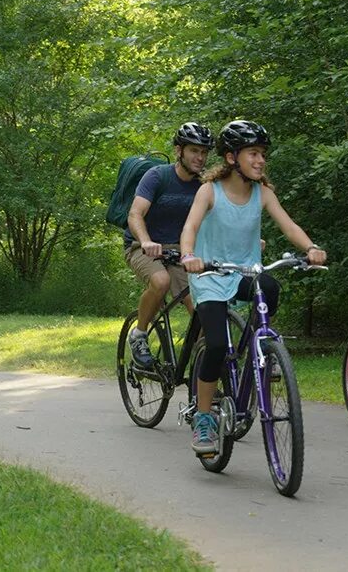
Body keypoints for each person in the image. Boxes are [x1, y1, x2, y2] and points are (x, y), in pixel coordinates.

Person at [180, 120, 327, 456]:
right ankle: (204, 417)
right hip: (209, 276)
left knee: (270, 287)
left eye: (263, 154)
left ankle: (260, 349)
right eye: (254, 154)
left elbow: (288, 225)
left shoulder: (263, 193)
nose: (261, 160)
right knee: (216, 345)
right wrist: (190, 256)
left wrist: (310, 249)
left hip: (245, 270)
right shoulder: (209, 191)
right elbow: (190, 227)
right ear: (232, 158)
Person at [125, 122, 213, 370]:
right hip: (141, 245)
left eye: (204, 152)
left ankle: (203, 374)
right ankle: (139, 335)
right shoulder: (157, 176)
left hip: (180, 250)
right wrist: (146, 241)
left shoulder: (204, 185)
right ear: (179, 151)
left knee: (202, 309)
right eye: (194, 150)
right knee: (161, 282)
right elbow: (135, 214)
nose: (200, 157)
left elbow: (215, 220)